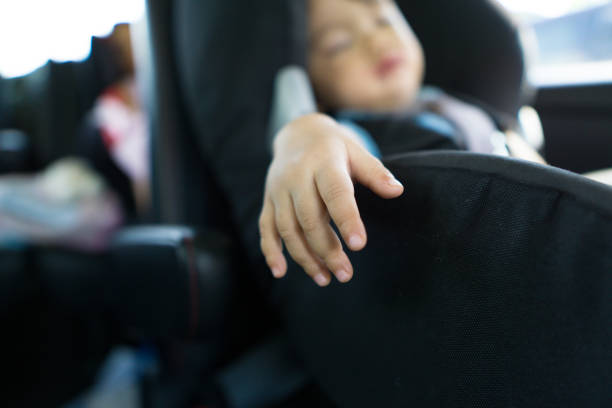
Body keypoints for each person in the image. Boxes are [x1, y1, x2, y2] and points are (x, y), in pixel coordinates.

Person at [259, 0, 550, 287]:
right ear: (316, 90)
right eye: (339, 44)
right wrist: (304, 131)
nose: (375, 40)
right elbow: (321, 148)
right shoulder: (348, 133)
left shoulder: (458, 106)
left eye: (384, 22)